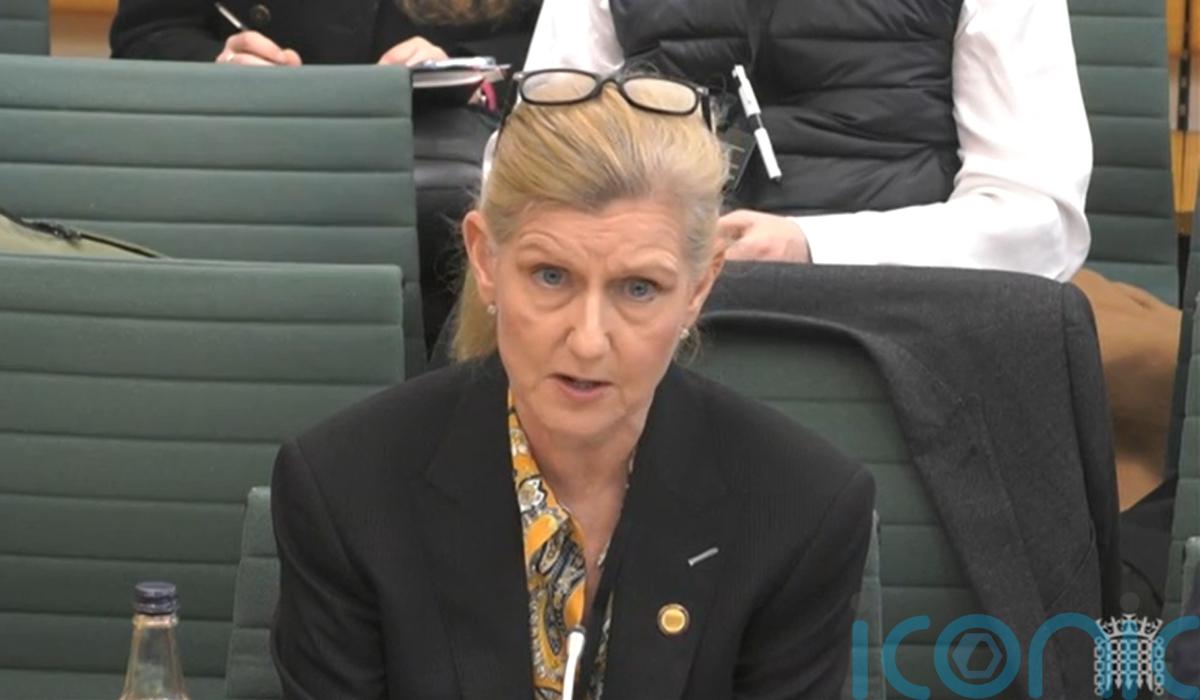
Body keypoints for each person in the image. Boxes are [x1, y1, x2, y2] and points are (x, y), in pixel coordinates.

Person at [270, 72, 875, 698]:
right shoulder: (345, 490)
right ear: (485, 259)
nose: (588, 341)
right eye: (551, 277)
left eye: (639, 288)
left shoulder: (802, 510)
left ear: (700, 287)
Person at [524, 0, 1093, 282]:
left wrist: (813, 245)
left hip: (892, 315)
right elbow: (535, 159)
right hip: (651, 302)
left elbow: (1038, 220)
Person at [110, 0, 541, 68]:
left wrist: (463, 70)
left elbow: (555, 44)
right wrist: (219, 62)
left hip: (449, 170)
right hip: (258, 151)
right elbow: (147, 33)